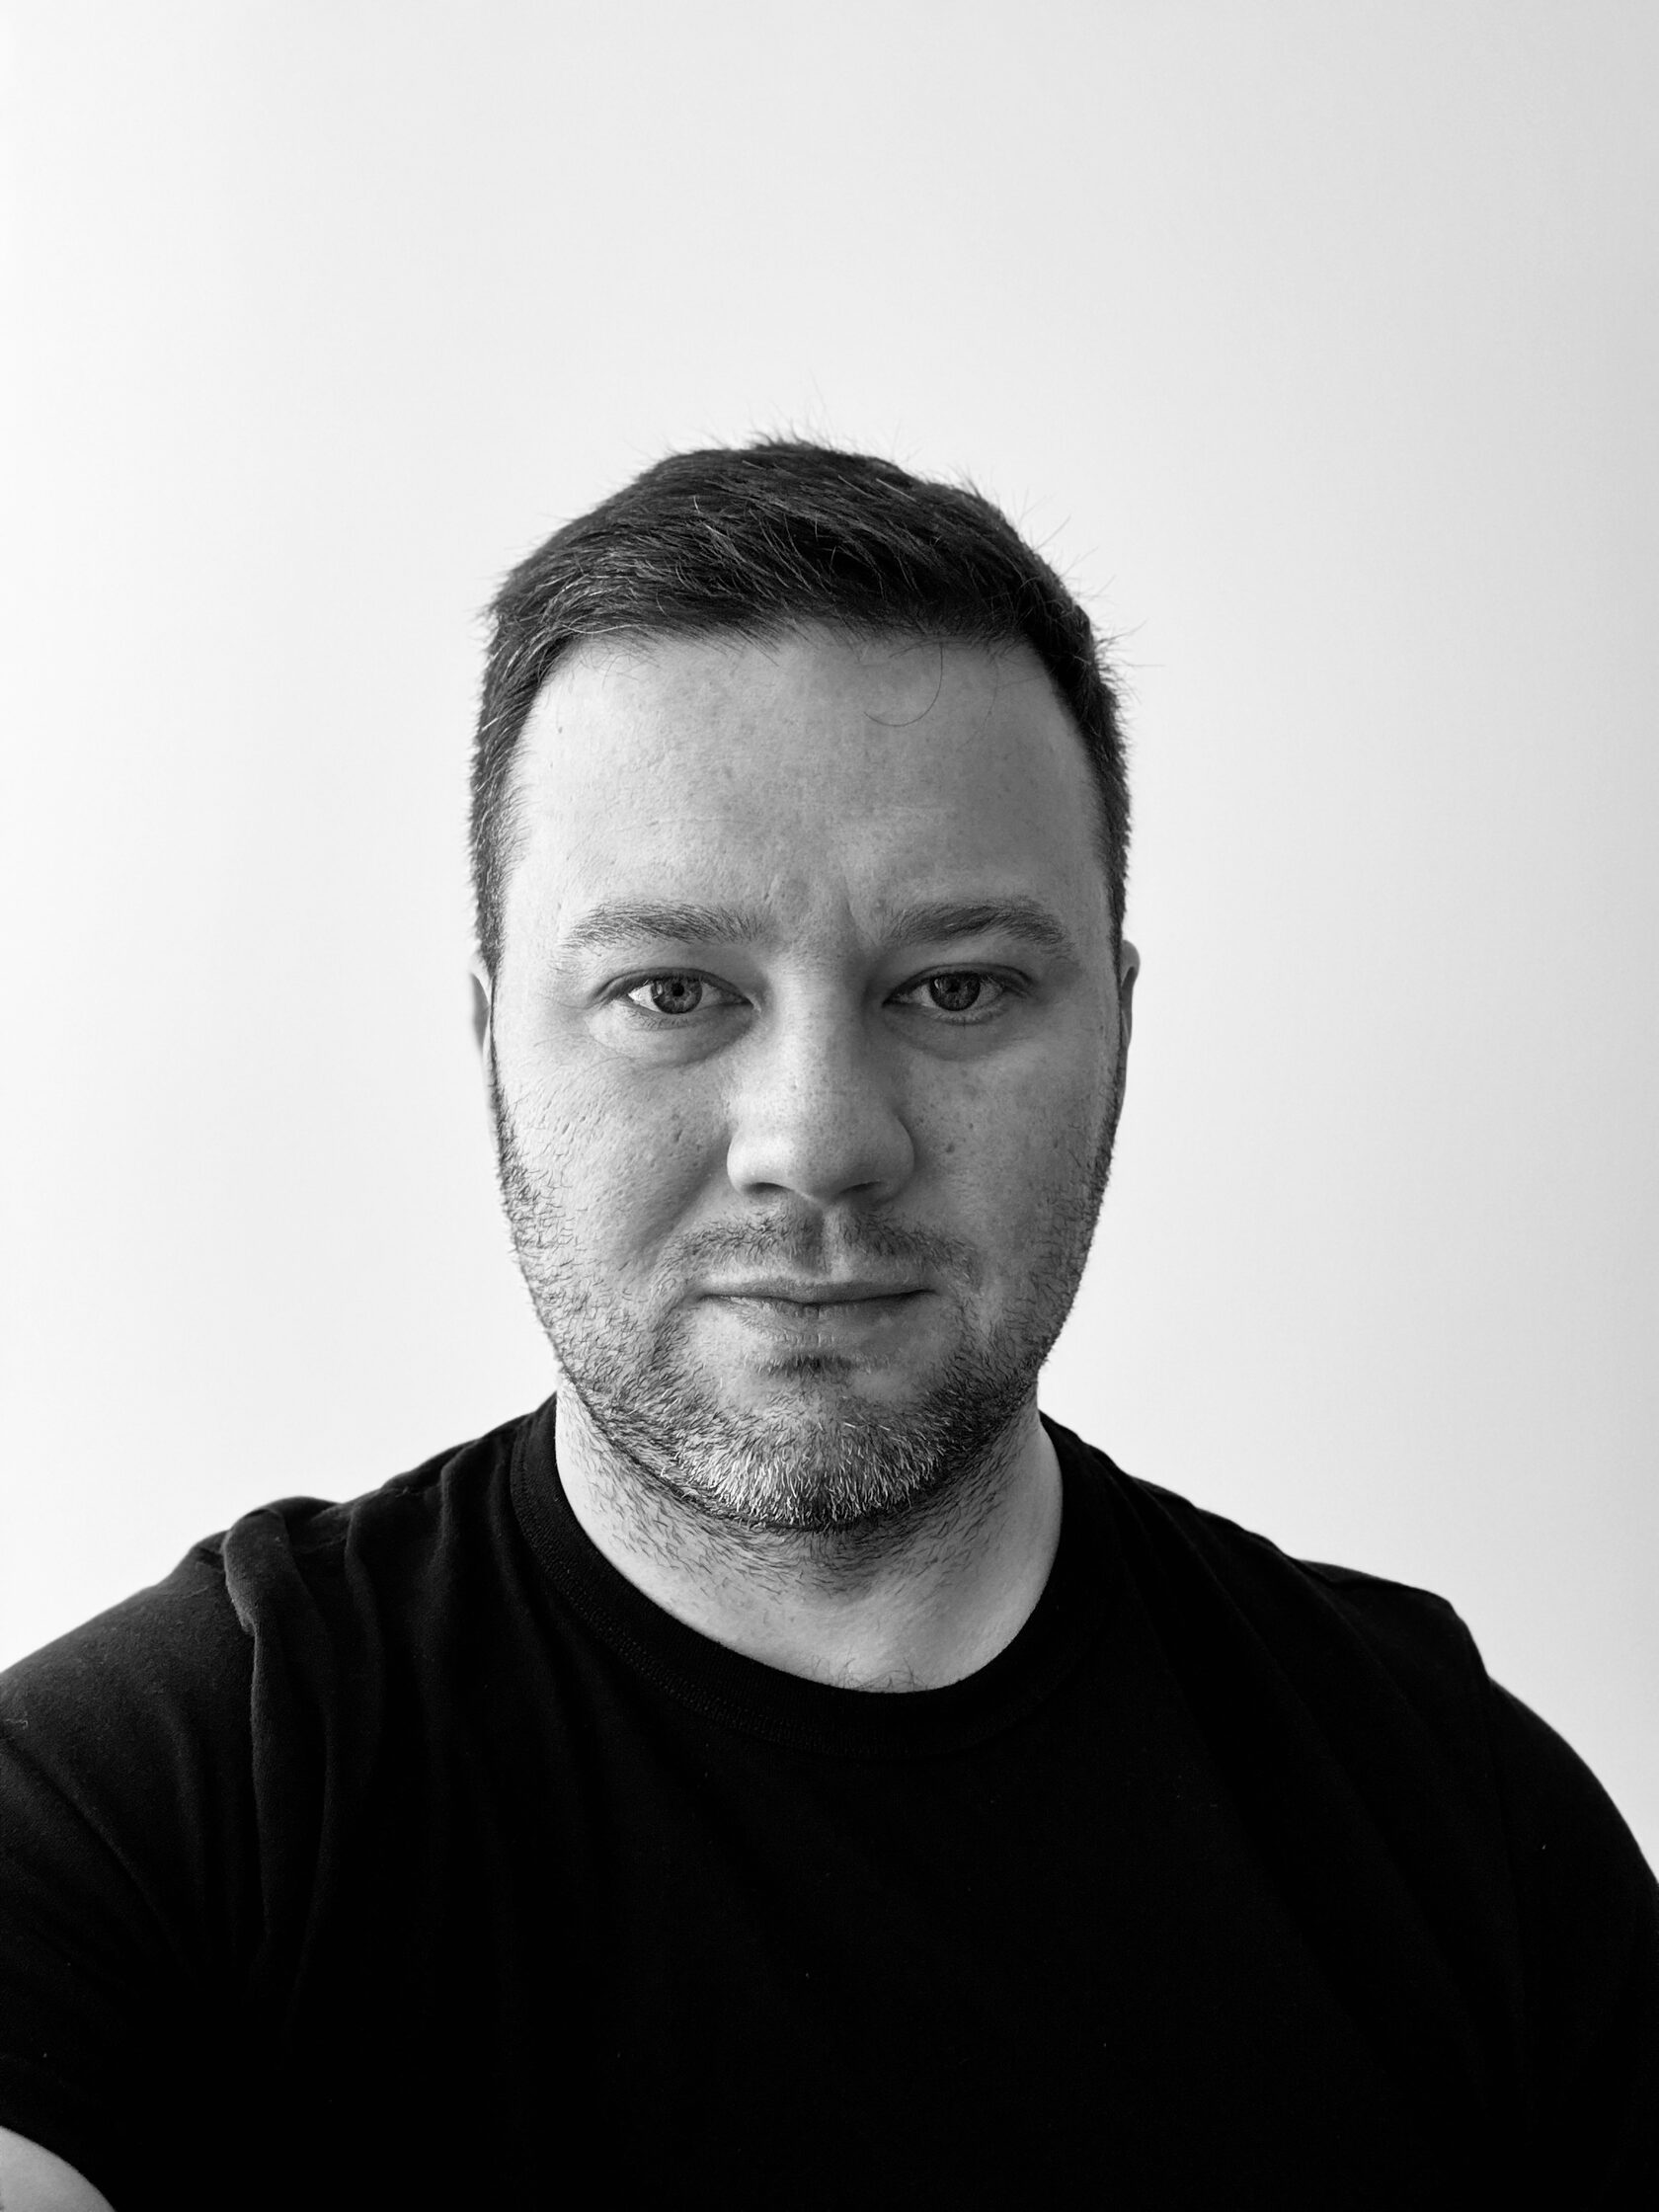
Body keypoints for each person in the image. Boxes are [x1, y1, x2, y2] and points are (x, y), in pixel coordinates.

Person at [1, 441, 1654, 2211]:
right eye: (670, 990)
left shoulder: (1457, 1822)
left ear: (1118, 1028)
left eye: (956, 987)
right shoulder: (144, 1809)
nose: (818, 1141)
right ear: (492, 1040)